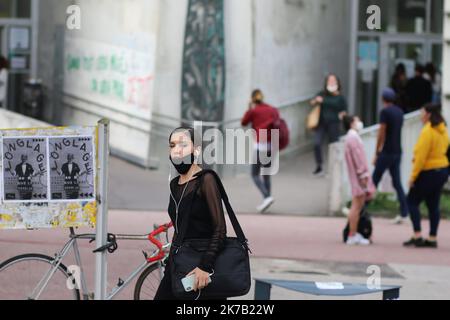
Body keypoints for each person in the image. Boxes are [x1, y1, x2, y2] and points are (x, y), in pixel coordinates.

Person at [154, 127, 227, 300]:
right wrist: (171, 261)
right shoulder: (174, 184)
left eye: (183, 144)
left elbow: (220, 229)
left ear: (196, 150)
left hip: (202, 269)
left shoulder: (206, 180)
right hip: (178, 265)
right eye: (172, 145)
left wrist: (205, 266)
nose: (177, 150)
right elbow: (180, 228)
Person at [403, 104, 449, 249]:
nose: (421, 116)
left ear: (428, 114)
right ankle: (432, 237)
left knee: (411, 200)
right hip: (442, 170)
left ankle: (417, 235)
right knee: (433, 204)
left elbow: (421, 158)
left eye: (422, 113)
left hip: (428, 171)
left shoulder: (427, 131)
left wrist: (413, 177)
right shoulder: (443, 130)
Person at [372, 88, 409, 224]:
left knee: (374, 180)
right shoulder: (399, 112)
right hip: (397, 151)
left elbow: (382, 132)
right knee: (397, 183)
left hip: (386, 151)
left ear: (383, 99)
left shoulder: (385, 112)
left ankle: (360, 208)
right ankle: (405, 213)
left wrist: (377, 152)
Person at [241, 89, 278, 213]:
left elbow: (244, 122)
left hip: (260, 146)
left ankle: (267, 197)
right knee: (266, 174)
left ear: (252, 99)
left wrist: (249, 107)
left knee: (254, 174)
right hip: (271, 146)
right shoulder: (271, 109)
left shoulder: (253, 111)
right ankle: (267, 199)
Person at [343, 115, 376, 246]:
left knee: (356, 206)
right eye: (356, 121)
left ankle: (353, 233)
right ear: (352, 123)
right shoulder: (353, 138)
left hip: (356, 177)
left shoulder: (351, 137)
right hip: (359, 178)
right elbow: (359, 159)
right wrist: (363, 176)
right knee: (356, 207)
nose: (359, 123)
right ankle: (352, 234)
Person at [310, 74, 347, 176]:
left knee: (334, 146)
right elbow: (312, 102)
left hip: (334, 124)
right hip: (321, 123)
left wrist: (342, 115)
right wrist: (315, 101)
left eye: (333, 81)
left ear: (337, 83)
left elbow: (344, 110)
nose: (331, 83)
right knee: (317, 143)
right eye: (329, 81)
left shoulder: (340, 97)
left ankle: (334, 168)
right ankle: (319, 166)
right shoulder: (322, 94)